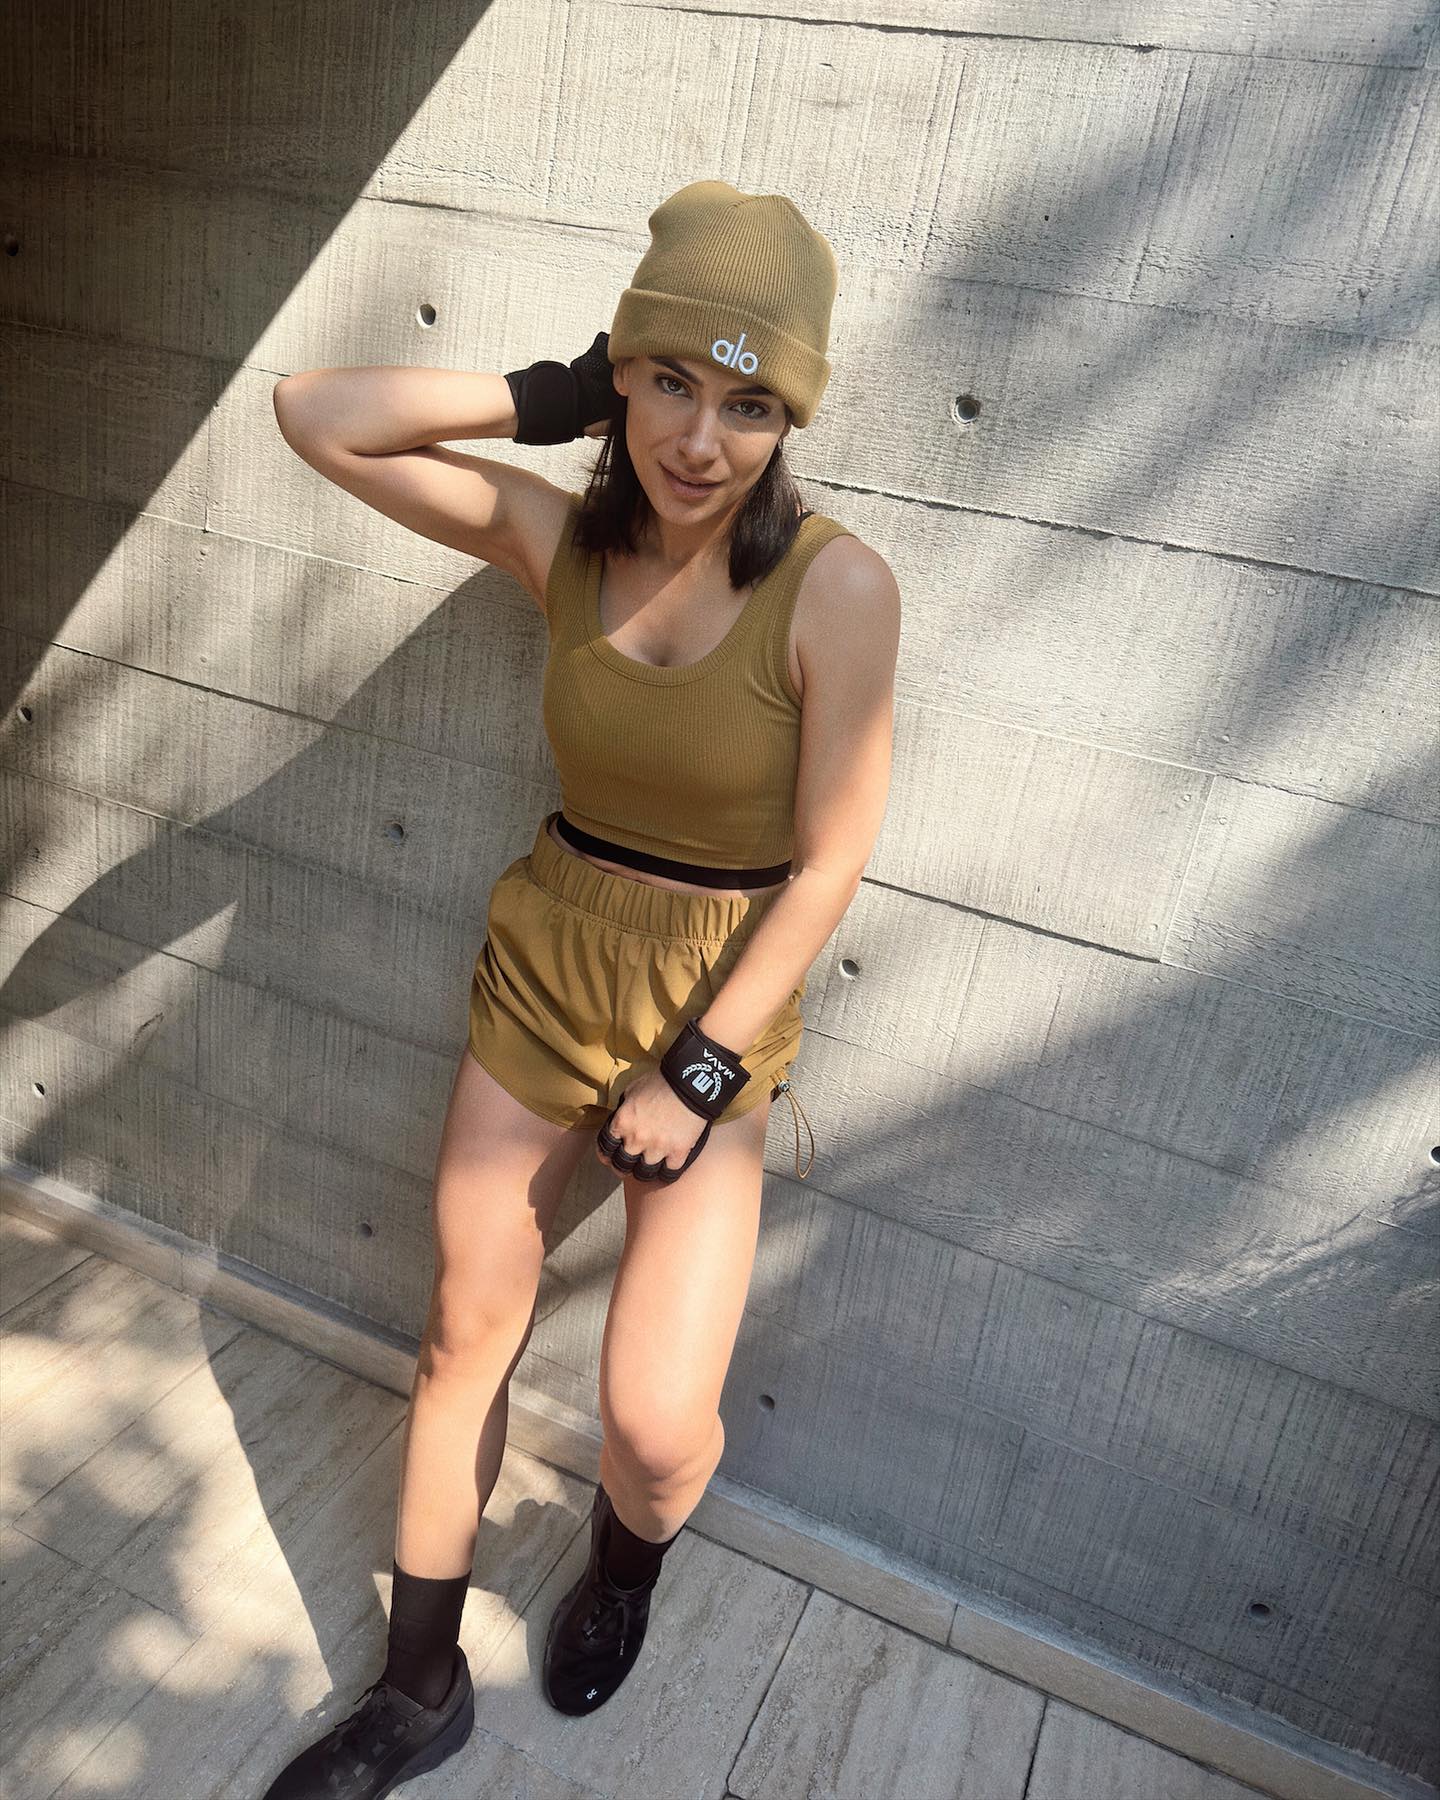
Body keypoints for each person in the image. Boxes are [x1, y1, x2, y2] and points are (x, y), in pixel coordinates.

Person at [262, 179, 900, 1797]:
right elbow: (316, 412)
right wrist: (545, 397)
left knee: (659, 1428)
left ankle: (623, 1567)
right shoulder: (559, 541)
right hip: (550, 963)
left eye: (751, 404)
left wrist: (700, 1073)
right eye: (671, 381)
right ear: (625, 374)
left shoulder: (836, 589)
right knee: (461, 1327)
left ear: (789, 422)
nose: (702, 438)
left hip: (716, 1008)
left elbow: (831, 860)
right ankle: (418, 1691)